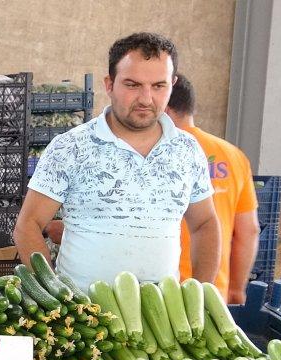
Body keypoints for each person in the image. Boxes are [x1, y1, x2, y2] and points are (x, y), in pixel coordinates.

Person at [13, 32, 221, 291]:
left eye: (159, 86)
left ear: (173, 84)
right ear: (109, 84)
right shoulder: (71, 147)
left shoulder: (187, 150)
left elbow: (204, 224)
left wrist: (199, 295)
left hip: (160, 315)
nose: (146, 98)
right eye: (132, 85)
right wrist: (54, 297)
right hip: (84, 318)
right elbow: (28, 226)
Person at [166, 73, 260, 305]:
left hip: (163, 293)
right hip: (213, 294)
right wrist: (237, 290)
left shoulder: (161, 151)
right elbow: (248, 231)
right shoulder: (234, 155)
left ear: (164, 108)